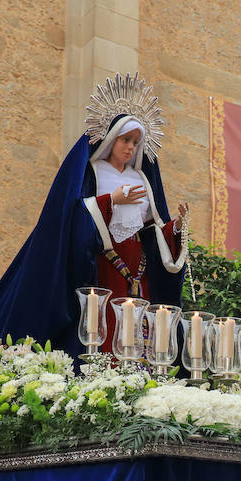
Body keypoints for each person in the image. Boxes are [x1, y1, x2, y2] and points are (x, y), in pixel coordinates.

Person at [80, 95, 188, 332]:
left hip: (139, 262)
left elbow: (153, 227)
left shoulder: (141, 179)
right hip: (106, 260)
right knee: (108, 319)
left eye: (135, 143)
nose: (130, 147)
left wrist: (177, 227)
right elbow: (75, 216)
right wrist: (111, 200)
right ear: (110, 139)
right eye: (125, 140)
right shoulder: (93, 172)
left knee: (139, 320)